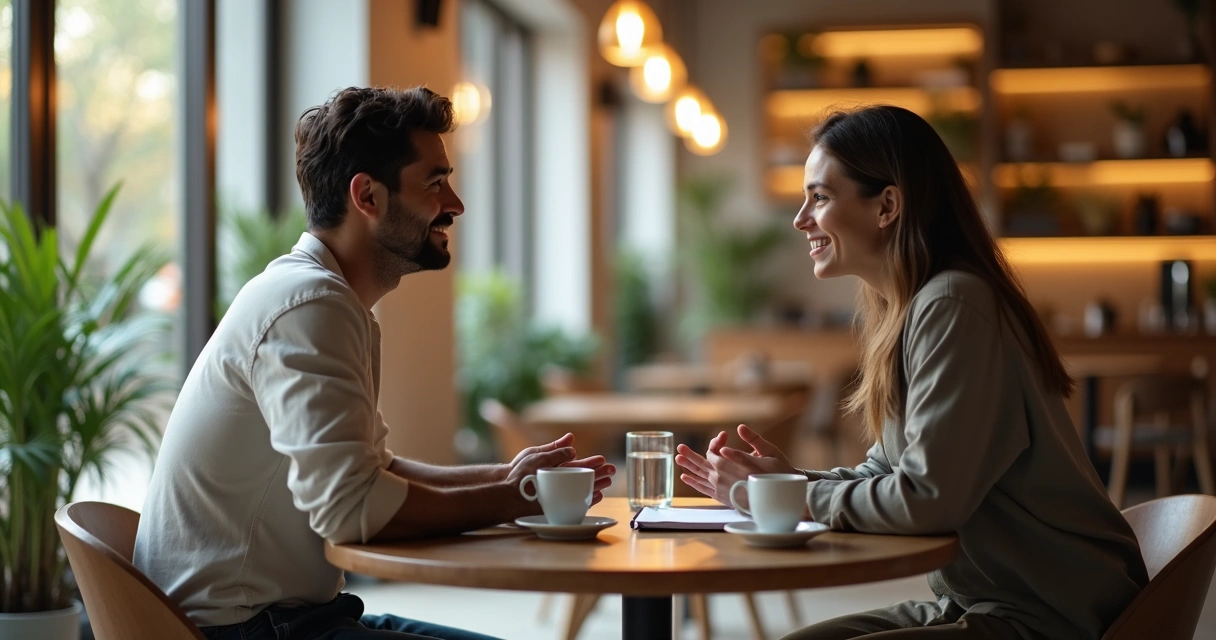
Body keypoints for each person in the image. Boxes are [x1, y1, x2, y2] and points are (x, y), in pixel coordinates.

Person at [133, 86, 615, 640]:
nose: (455, 204)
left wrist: (505, 476)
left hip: (283, 619)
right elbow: (353, 510)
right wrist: (516, 496)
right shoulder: (310, 306)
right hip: (246, 630)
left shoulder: (321, 299)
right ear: (367, 196)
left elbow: (373, 472)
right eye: (435, 183)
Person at [674, 105, 1147, 640]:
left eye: (820, 197)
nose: (800, 219)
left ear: (887, 206)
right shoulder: (915, 308)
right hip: (987, 602)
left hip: (1050, 614)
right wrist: (785, 483)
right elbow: (888, 470)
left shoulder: (952, 303)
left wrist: (787, 496)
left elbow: (927, 499)